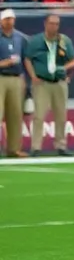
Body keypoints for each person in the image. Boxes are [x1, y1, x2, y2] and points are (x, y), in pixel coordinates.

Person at [23, 13, 74, 156]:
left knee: (61, 115)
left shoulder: (64, 41)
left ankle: (61, 146)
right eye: (51, 23)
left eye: (57, 24)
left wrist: (64, 68)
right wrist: (33, 76)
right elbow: (27, 59)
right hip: (42, 82)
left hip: (59, 82)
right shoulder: (35, 41)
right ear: (45, 24)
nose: (54, 26)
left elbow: (73, 60)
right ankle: (36, 147)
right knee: (39, 115)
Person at [0, 9, 28, 157]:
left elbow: (25, 59)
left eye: (11, 19)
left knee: (15, 114)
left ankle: (14, 148)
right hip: (0, 77)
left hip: (16, 77)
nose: (9, 22)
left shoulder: (20, 38)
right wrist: (4, 63)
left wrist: (23, 78)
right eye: (6, 19)